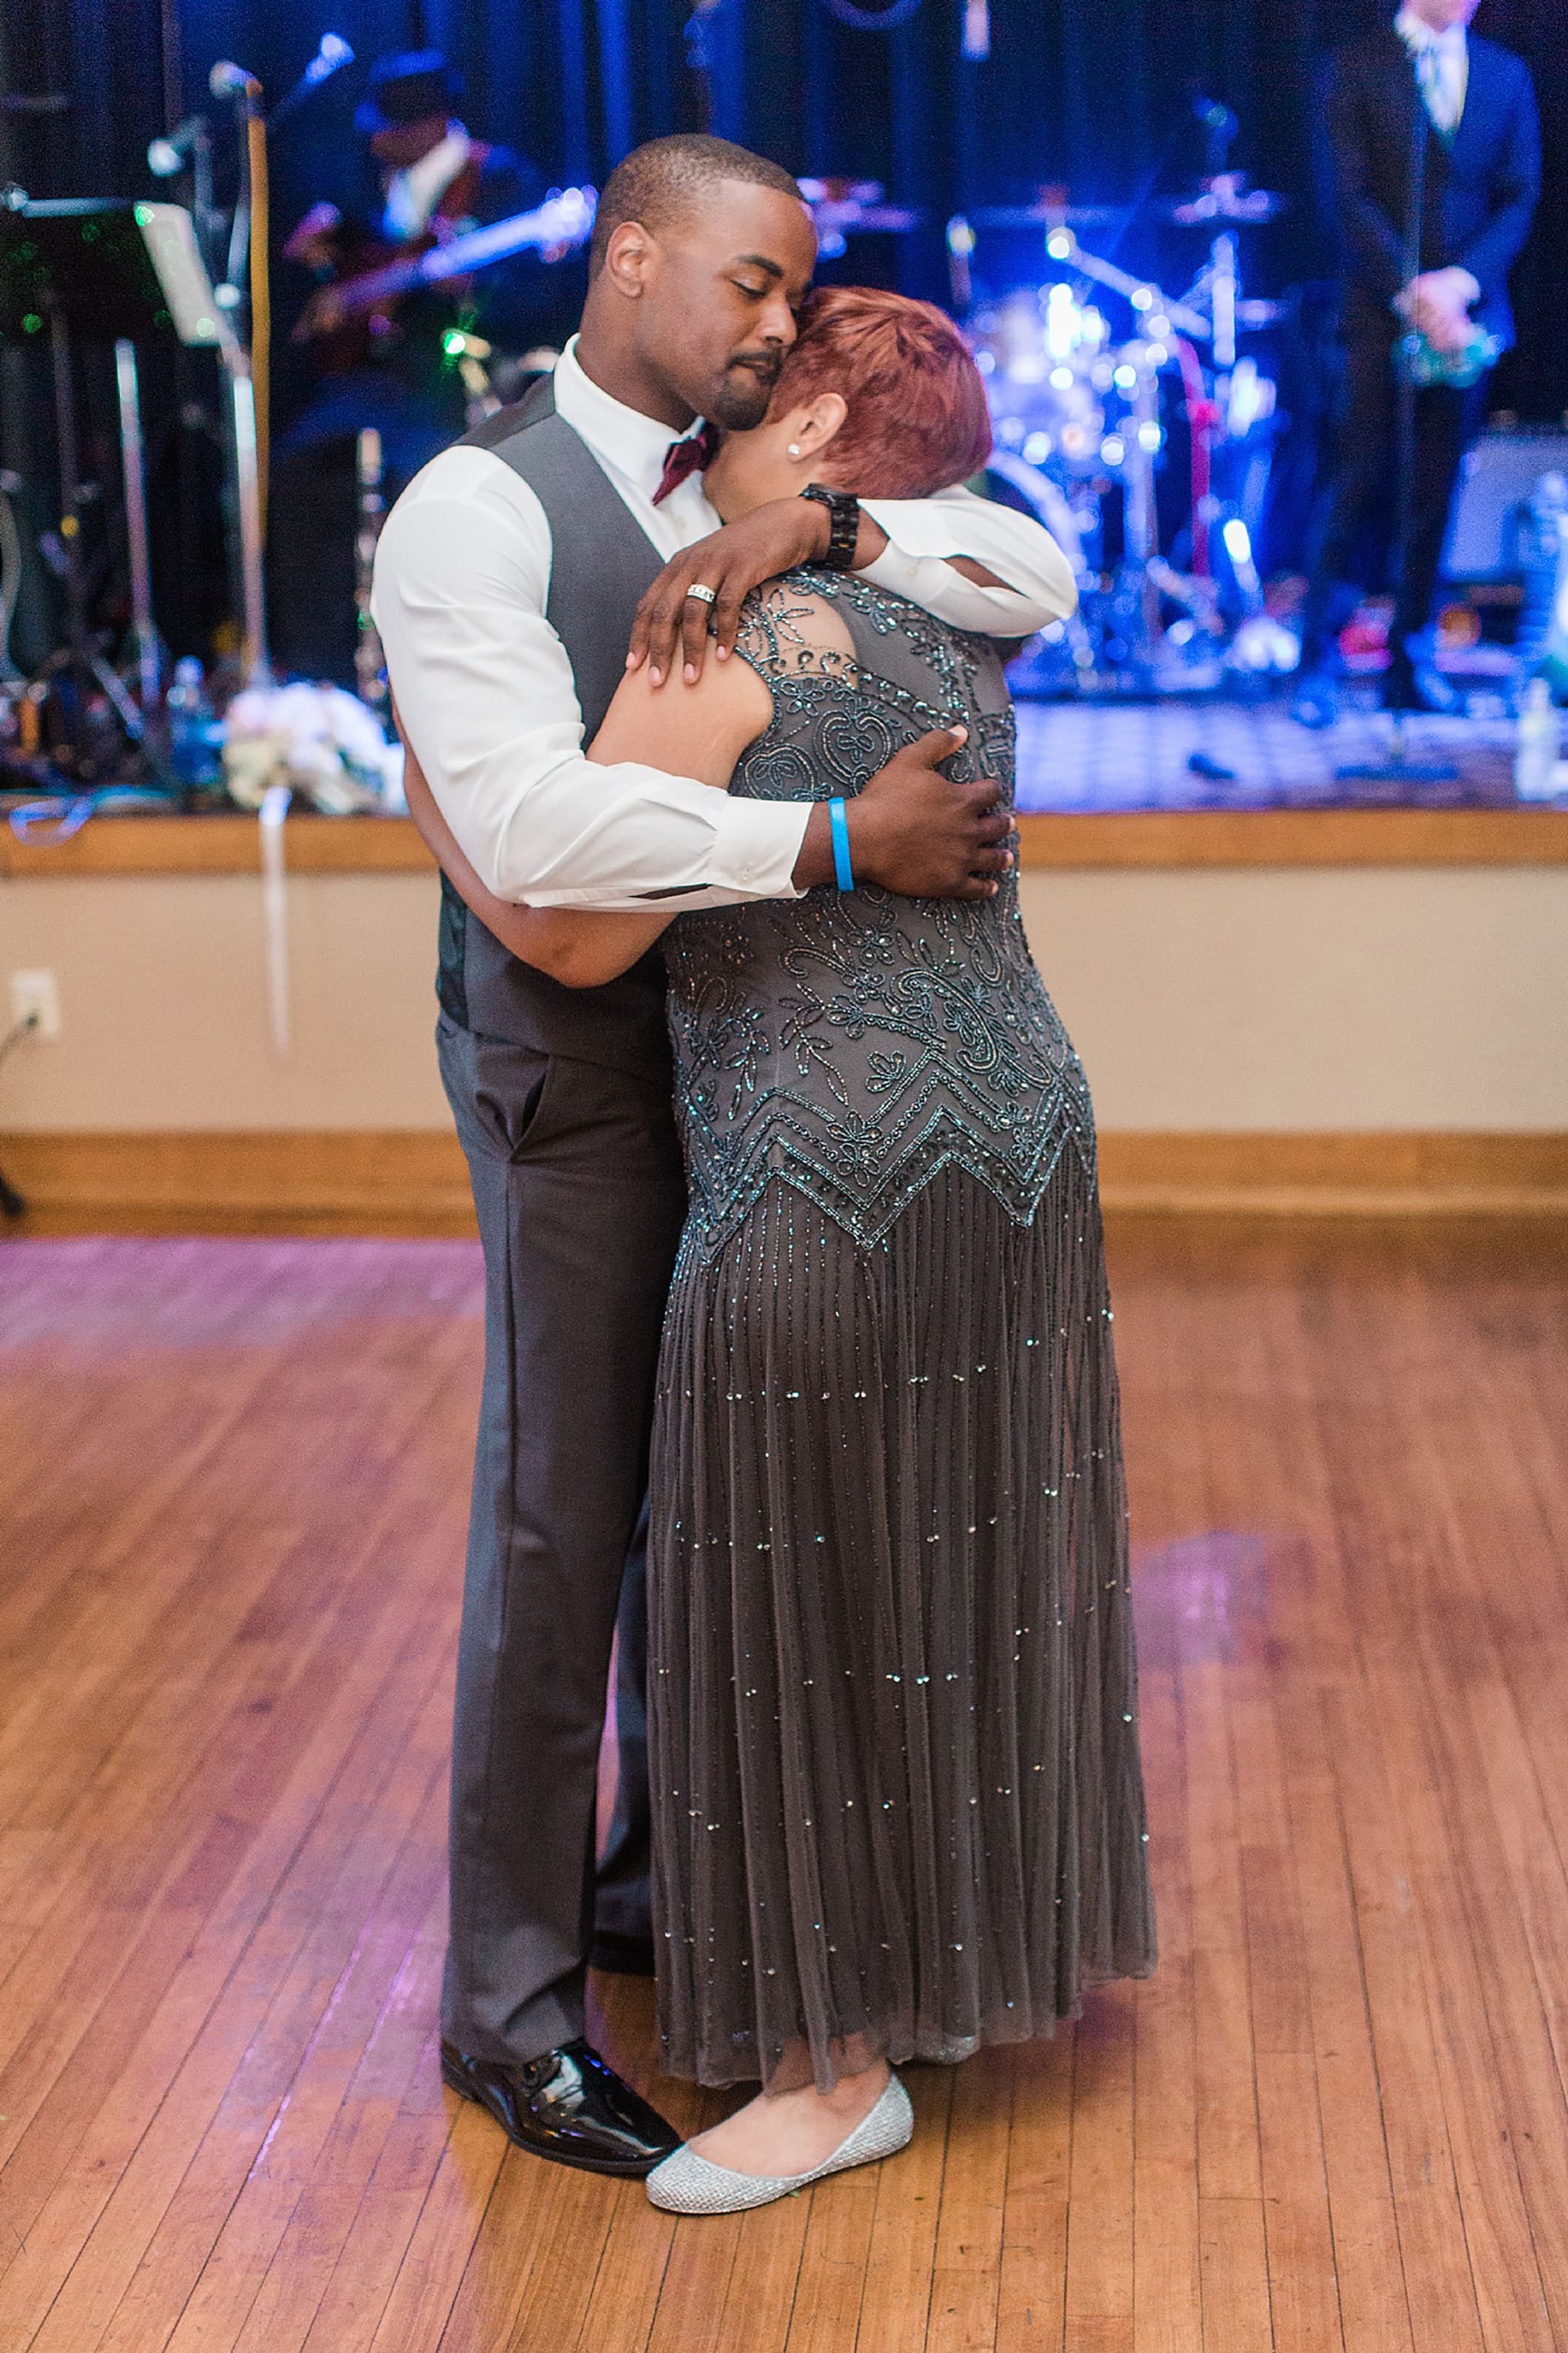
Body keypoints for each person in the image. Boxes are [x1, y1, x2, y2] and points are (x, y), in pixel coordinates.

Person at [400, 282, 1155, 2213]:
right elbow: (1009, 554)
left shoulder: (723, 619)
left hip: (824, 1162)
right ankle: (927, 1980)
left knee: (791, 1584)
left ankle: (828, 2069)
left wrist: (437, 808)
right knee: (943, 1561)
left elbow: (569, 936)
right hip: (1013, 1135)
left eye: (778, 349)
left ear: (815, 430)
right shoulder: (949, 607)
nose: (745, 367)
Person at [270, 51, 556, 683]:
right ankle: (321, 671)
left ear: (430, 124)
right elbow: (359, 263)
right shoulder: (365, 179)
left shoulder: (500, 179)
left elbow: (542, 293)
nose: (374, 139)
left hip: (453, 380)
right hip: (371, 376)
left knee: (425, 494)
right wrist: (323, 258)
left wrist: (475, 288)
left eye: (389, 127)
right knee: (296, 472)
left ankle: (437, 671)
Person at [1293, 0, 1540, 724]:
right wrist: (1414, 291)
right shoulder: (1356, 67)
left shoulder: (1505, 73)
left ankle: (1413, 657)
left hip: (1467, 321)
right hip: (1380, 317)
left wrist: (1460, 288)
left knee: (1436, 494)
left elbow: (1518, 198)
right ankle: (1321, 660)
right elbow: (1348, 197)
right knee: (1356, 487)